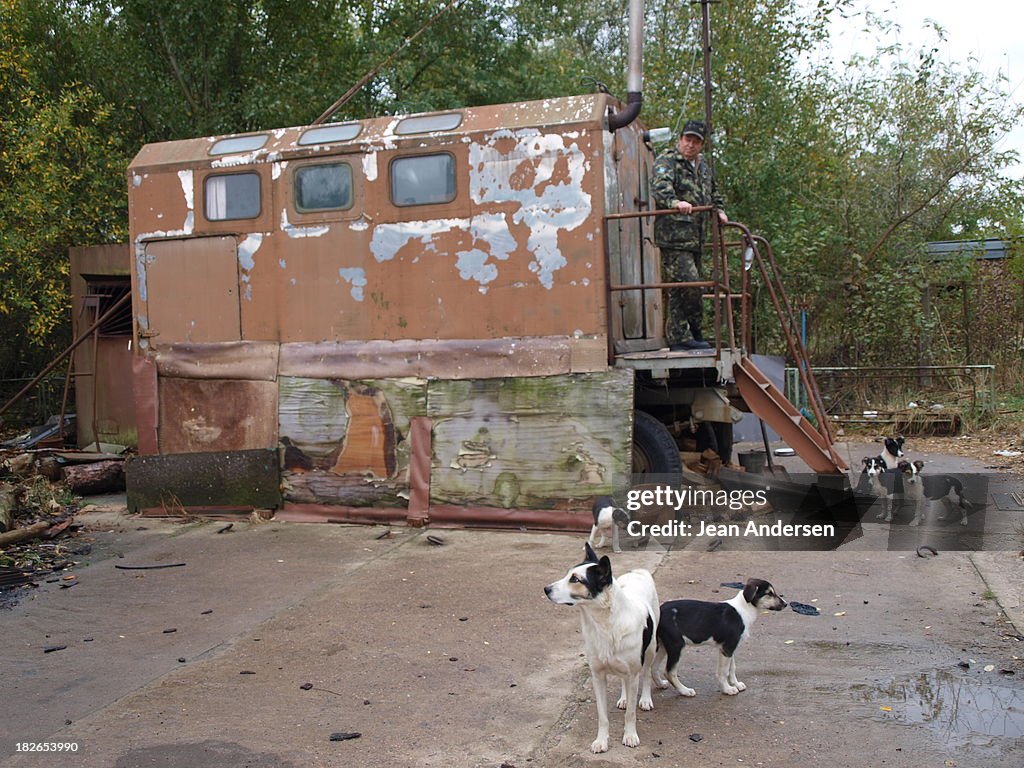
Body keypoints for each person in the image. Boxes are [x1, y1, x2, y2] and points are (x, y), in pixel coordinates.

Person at [651, 119, 728, 351]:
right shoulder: (668, 160)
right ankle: (689, 331)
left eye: (696, 142)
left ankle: (681, 336)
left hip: (696, 238)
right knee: (691, 284)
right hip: (674, 236)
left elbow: (713, 192)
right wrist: (675, 202)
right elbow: (659, 186)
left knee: (680, 288)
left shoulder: (703, 167)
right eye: (687, 139)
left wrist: (720, 211)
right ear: (680, 139)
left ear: (702, 145)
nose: (690, 145)